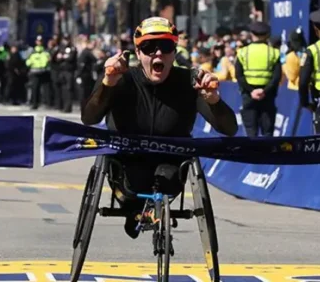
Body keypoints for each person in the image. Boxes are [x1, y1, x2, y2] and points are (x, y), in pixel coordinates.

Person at [81, 17, 237, 238]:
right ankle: (134, 212)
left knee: (166, 178)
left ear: (174, 51)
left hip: (170, 164)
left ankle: (151, 214)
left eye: (165, 47)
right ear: (138, 52)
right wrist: (108, 83)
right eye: (148, 47)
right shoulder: (121, 79)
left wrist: (212, 99)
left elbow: (229, 129)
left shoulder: (189, 82)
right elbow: (89, 117)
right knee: (135, 182)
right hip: (126, 164)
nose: (157, 54)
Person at [235, 21, 280, 138]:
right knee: (267, 133)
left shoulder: (242, 52)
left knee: (251, 133)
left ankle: (252, 155)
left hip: (248, 96)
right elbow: (276, 77)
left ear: (251, 34)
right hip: (267, 96)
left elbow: (239, 76)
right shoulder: (274, 52)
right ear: (267, 35)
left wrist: (251, 91)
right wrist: (264, 91)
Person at [26, 41, 52, 110]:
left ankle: (35, 104)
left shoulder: (32, 53)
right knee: (44, 89)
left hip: (36, 72)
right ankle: (46, 103)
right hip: (43, 71)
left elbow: (28, 63)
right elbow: (48, 62)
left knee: (36, 89)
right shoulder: (46, 53)